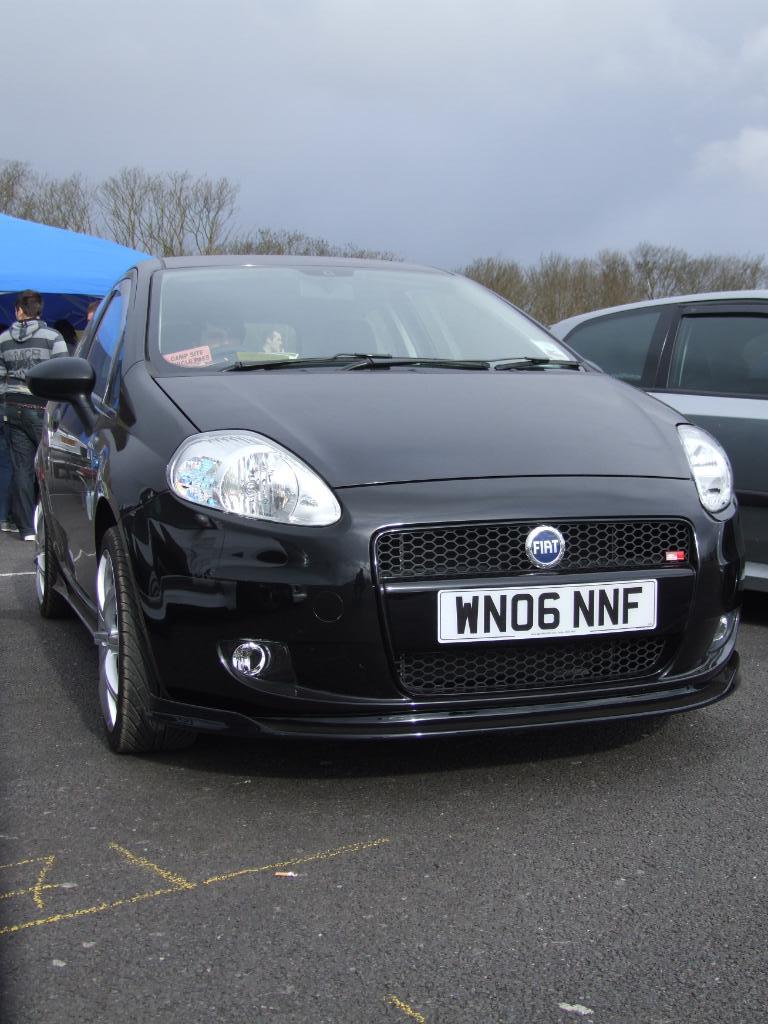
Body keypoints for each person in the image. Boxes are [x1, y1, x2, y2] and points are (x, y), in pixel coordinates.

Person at [0, 290, 68, 541]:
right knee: (47, 464)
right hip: (42, 406)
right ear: (39, 310)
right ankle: (48, 520)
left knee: (21, 467)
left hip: (13, 406)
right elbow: (63, 373)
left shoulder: (4, 338)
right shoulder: (53, 337)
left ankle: (26, 527)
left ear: (19, 310)